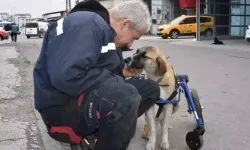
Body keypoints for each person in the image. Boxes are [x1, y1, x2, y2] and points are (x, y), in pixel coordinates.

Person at [33, 0, 160, 150]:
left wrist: (121, 72)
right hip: (62, 107)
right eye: (133, 38)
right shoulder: (86, 25)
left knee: (150, 89)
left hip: (80, 96)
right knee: (126, 97)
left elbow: (97, 69)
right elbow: (67, 76)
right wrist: (115, 80)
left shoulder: (106, 33)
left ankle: (103, 132)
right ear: (125, 24)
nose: (131, 45)